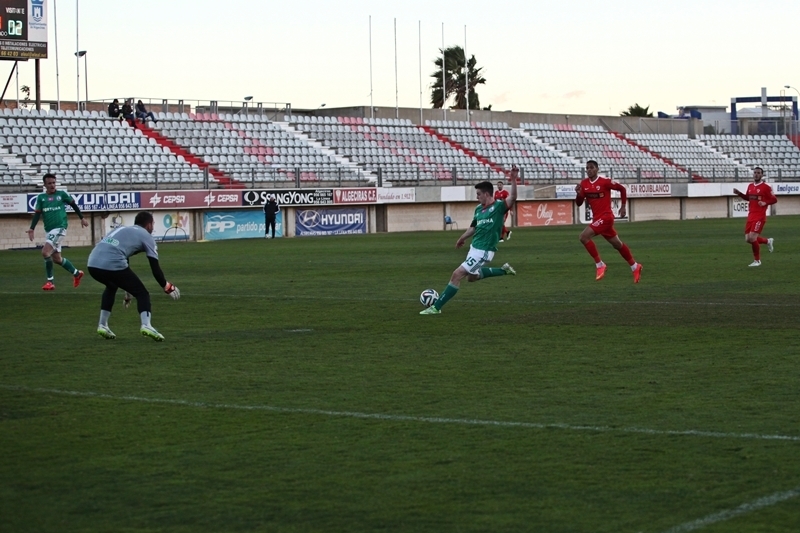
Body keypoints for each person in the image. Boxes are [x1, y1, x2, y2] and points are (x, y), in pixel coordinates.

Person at [420, 166, 519, 315]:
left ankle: (436, 307)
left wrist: (513, 179)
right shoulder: (479, 209)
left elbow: (513, 198)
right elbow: (473, 227)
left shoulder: (498, 207)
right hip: (474, 248)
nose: (477, 197)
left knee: (457, 274)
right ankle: (503, 270)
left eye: (479, 194)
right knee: (472, 278)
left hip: (484, 251)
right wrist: (462, 238)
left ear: (487, 194)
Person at [87, 211, 180, 341]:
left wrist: (127, 291)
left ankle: (102, 325)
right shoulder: (146, 236)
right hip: (112, 263)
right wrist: (167, 286)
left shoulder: (123, 229)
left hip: (92, 264)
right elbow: (155, 268)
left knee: (112, 285)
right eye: (153, 223)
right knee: (142, 293)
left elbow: (124, 260)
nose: (153, 226)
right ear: (148, 225)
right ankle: (146, 325)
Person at [575, 160, 642, 283]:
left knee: (584, 237)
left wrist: (623, 206)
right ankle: (635, 266)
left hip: (606, 217)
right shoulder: (584, 184)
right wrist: (578, 194)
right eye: (587, 168)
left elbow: (622, 189)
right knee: (617, 245)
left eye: (591, 167)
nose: (589, 170)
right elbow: (579, 203)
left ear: (597, 169)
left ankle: (600, 265)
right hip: (598, 219)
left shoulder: (605, 182)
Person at [26, 173, 88, 290]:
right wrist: (31, 228)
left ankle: (50, 282)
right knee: (57, 259)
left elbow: (73, 204)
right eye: (49, 183)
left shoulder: (61, 194)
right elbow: (37, 213)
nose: (52, 185)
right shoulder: (41, 198)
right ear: (45, 185)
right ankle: (76, 273)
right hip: (49, 230)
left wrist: (82, 217)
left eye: (54, 183)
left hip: (60, 228)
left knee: (45, 252)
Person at [733, 167, 777, 267]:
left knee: (752, 238)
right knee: (748, 239)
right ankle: (767, 241)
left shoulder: (766, 187)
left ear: (762, 175)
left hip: (760, 216)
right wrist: (739, 193)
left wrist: (765, 202)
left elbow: (774, 200)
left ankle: (757, 261)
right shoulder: (750, 186)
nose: (756, 174)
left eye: (758, 173)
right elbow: (748, 198)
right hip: (751, 215)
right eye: (755, 173)